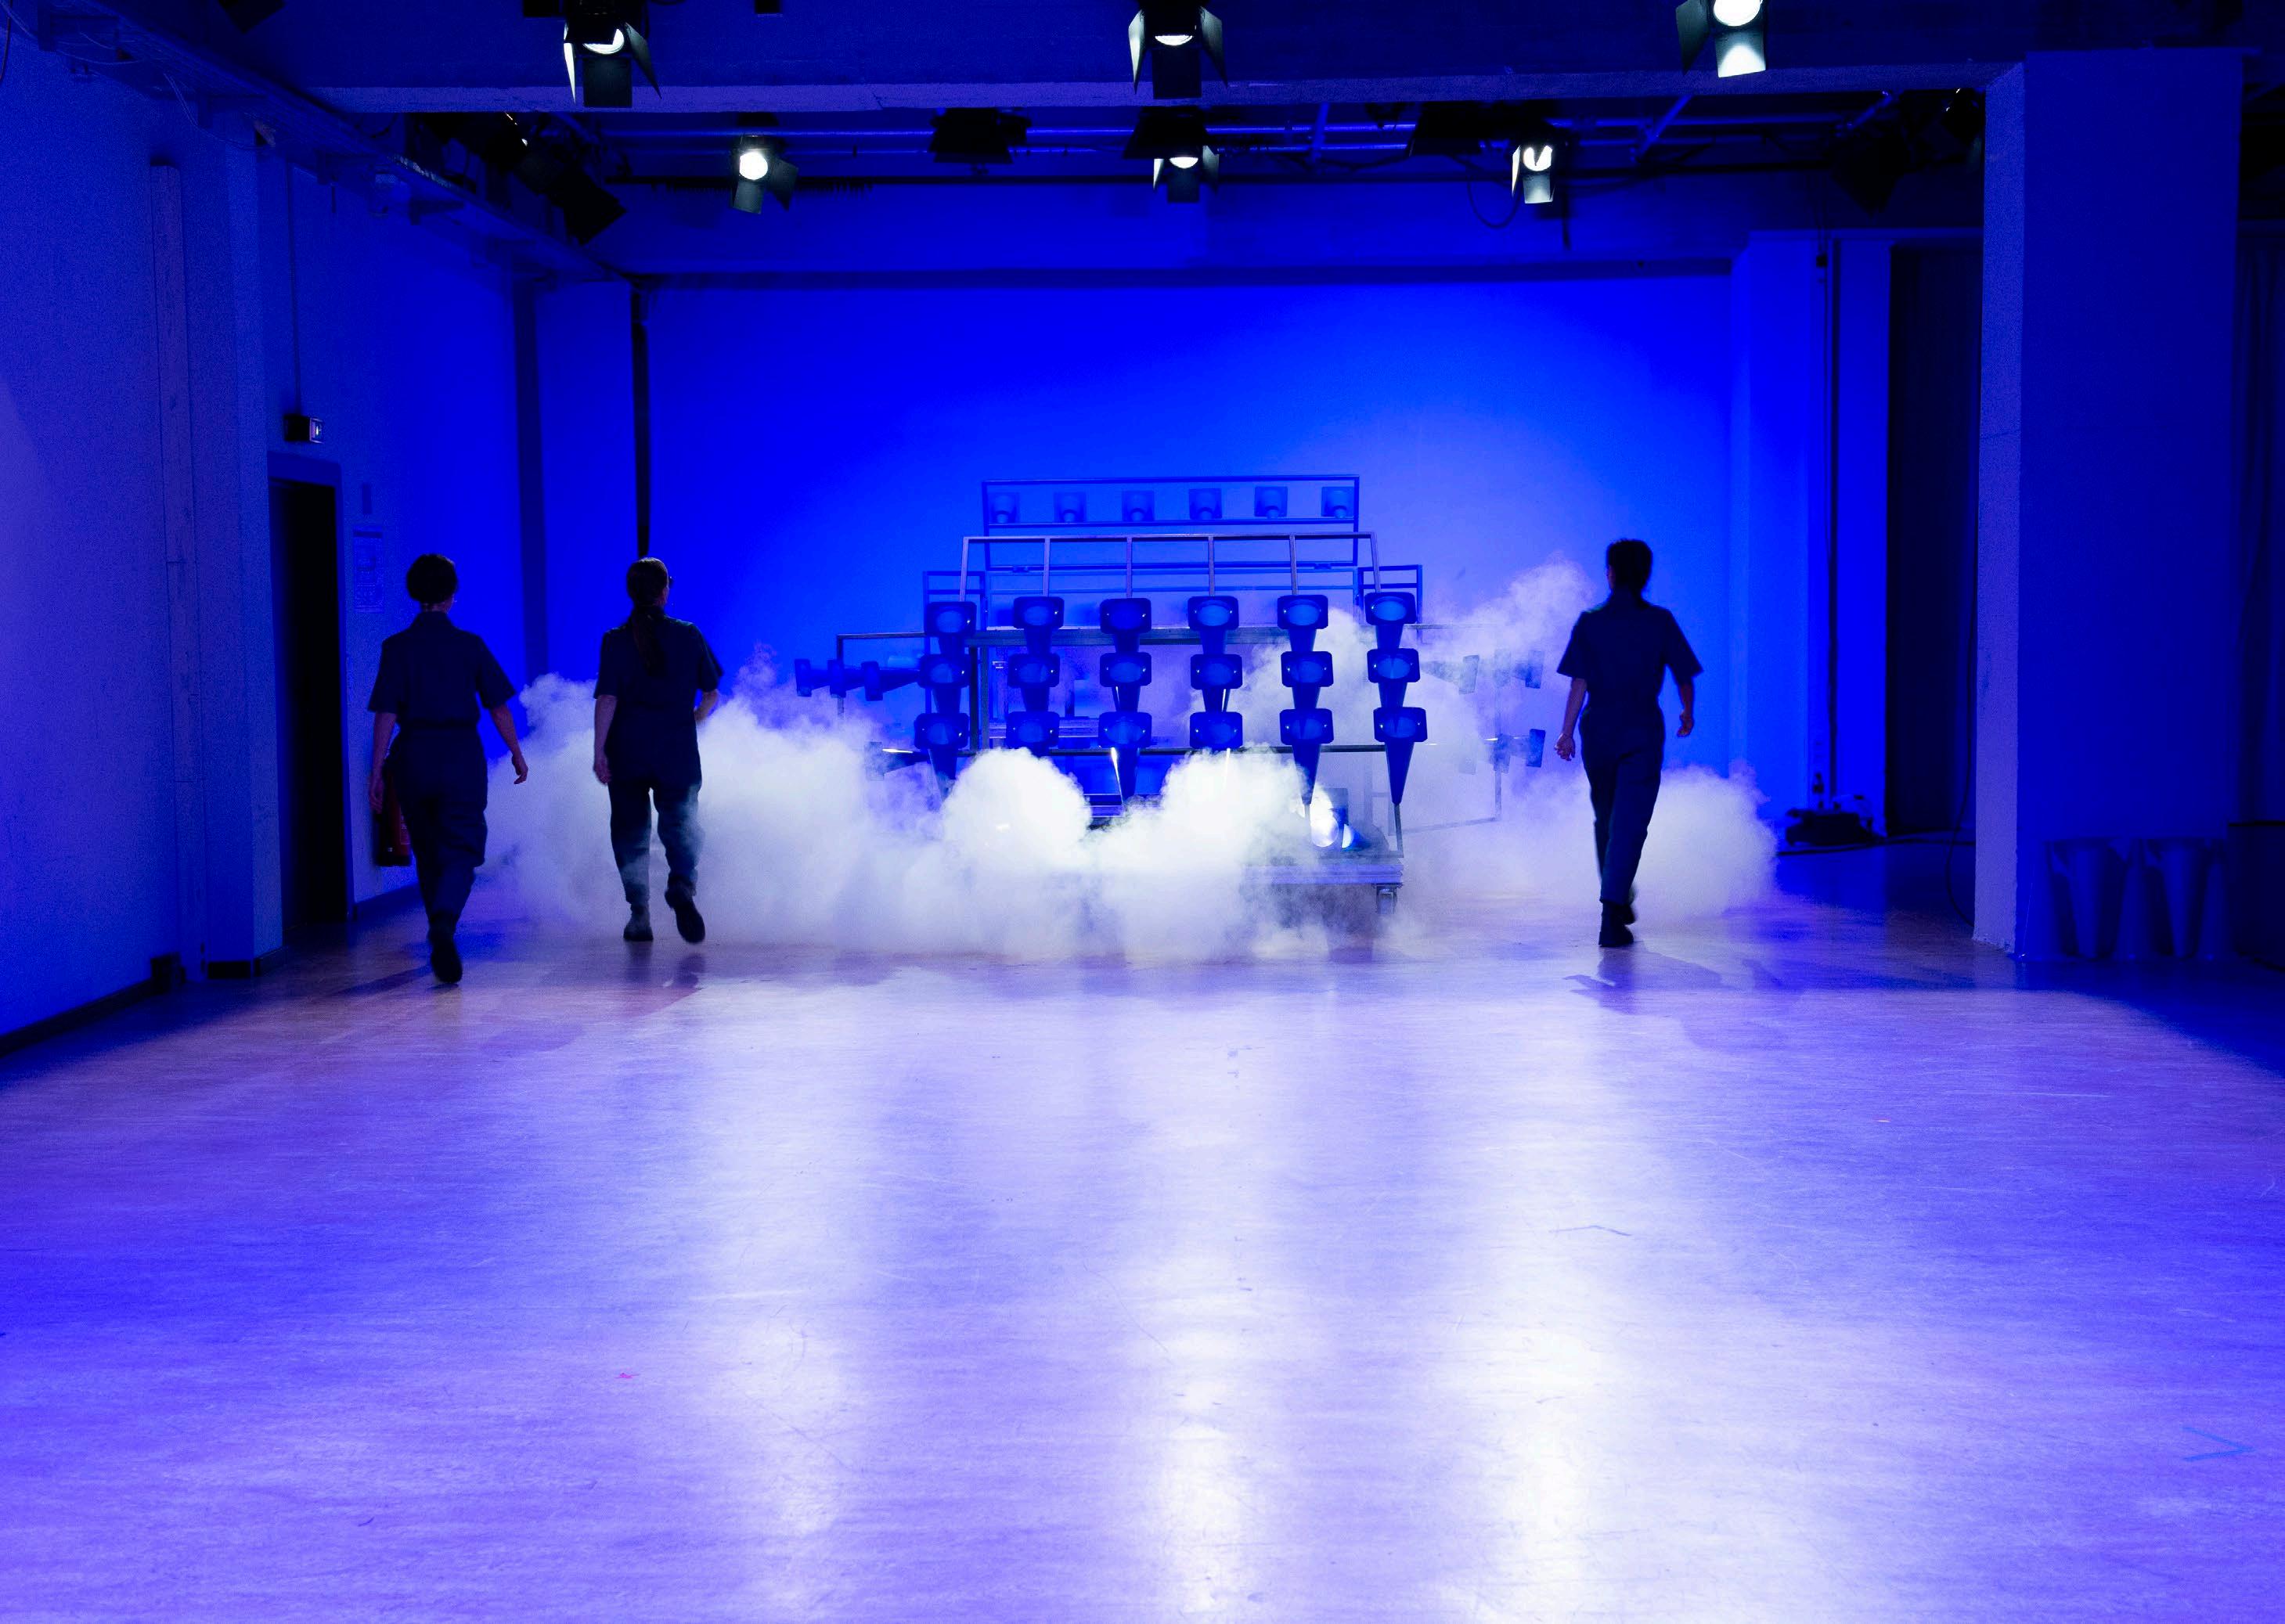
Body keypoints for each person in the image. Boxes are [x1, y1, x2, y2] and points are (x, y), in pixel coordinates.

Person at [366, 553, 528, 984]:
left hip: (413, 756)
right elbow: (498, 707)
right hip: (460, 756)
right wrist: (515, 751)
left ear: (413, 591)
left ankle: (439, 926)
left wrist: (377, 770)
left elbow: (385, 713)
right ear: (452, 594)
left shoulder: (396, 648)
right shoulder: (469, 645)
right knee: (462, 846)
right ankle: (444, 922)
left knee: (427, 849)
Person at [1554, 538, 1703, 949]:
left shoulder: (1591, 622)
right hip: (1640, 730)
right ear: (1646, 575)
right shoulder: (1660, 621)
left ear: (1611, 574)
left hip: (1599, 730)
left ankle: (1616, 900)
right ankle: (1611, 910)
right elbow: (1683, 675)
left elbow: (1579, 682)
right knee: (1630, 822)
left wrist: (1566, 731)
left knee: (1607, 821)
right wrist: (1687, 712)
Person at [594, 556, 723, 945]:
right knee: (682, 823)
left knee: (629, 832)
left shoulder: (615, 640)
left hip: (627, 751)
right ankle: (681, 884)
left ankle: (639, 915)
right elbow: (711, 692)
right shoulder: (688, 635)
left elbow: (607, 699)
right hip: (676, 750)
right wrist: (696, 717)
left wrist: (599, 752)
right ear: (665, 591)